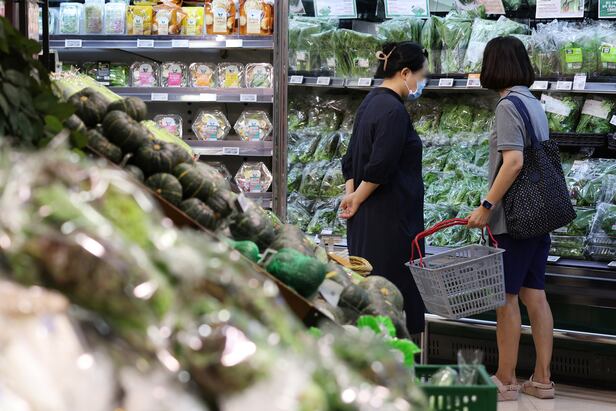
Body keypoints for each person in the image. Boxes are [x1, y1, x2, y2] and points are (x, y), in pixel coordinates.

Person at [467, 36, 556, 401]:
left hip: (513, 219)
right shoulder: (532, 102)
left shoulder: (507, 105)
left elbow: (514, 162)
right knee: (535, 296)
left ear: (493, 66)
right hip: (540, 214)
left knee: (506, 299)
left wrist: (486, 205)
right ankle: (542, 379)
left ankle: (505, 379)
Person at [340, 41, 428, 335]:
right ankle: (395, 357)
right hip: (391, 224)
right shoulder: (393, 110)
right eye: (421, 75)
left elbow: (350, 159)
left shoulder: (370, 101)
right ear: (405, 73)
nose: (422, 82)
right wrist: (357, 198)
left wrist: (352, 195)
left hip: (367, 221)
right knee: (391, 301)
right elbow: (382, 165)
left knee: (370, 297)